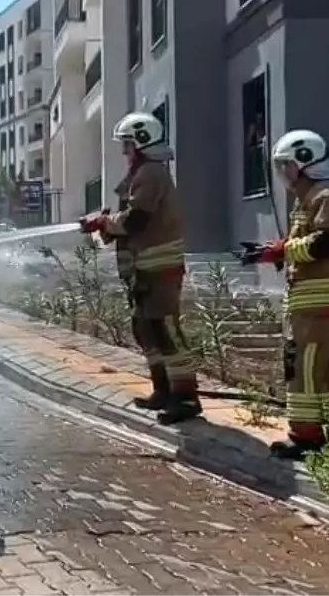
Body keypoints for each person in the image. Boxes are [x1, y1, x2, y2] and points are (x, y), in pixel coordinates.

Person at [238, 129, 329, 459]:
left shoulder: (326, 196)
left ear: (304, 162)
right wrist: (273, 252)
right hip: (321, 305)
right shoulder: (313, 197)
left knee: (302, 367)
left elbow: (325, 243)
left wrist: (279, 250)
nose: (282, 173)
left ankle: (306, 436)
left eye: (285, 165)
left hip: (321, 306)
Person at [80, 112, 199, 425]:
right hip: (144, 271)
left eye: (128, 144)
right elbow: (130, 223)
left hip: (159, 270)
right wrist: (104, 224)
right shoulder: (143, 173)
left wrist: (104, 222)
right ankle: (163, 389)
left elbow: (136, 220)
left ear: (142, 143)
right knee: (145, 329)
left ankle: (185, 397)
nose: (124, 151)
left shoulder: (150, 173)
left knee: (166, 331)